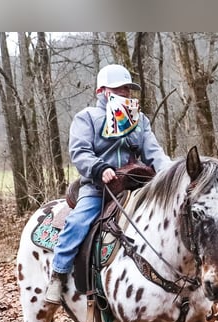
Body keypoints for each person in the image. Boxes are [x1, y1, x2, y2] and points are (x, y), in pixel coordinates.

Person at [45, 63, 173, 305]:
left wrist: (169, 173)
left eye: (128, 89)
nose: (126, 93)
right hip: (98, 186)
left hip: (135, 184)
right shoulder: (87, 118)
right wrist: (99, 168)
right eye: (120, 88)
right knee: (78, 221)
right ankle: (58, 274)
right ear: (101, 91)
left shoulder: (139, 120)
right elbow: (80, 151)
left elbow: (154, 152)